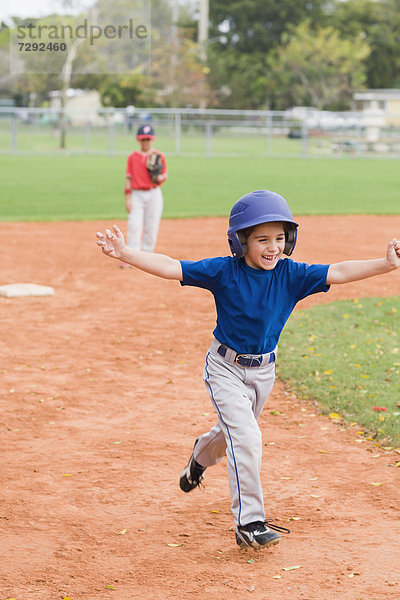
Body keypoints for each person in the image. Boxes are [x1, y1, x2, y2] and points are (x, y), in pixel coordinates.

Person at [96, 190, 400, 549]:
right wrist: (125, 253)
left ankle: (199, 456)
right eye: (262, 239)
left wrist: (387, 264)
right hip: (224, 368)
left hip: (264, 372)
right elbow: (171, 266)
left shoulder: (292, 274)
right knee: (247, 437)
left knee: (233, 434)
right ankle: (249, 522)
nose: (273, 247)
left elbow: (340, 270)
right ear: (241, 242)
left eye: (280, 238)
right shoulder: (224, 271)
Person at [122, 124, 168, 267]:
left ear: (152, 140)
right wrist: (128, 197)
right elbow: (128, 177)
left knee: (152, 224)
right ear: (138, 140)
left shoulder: (158, 155)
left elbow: (164, 174)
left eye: (148, 139)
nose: (146, 142)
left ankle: (148, 255)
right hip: (137, 194)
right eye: (143, 139)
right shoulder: (132, 157)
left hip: (154, 193)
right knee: (134, 224)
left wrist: (160, 178)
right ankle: (131, 256)